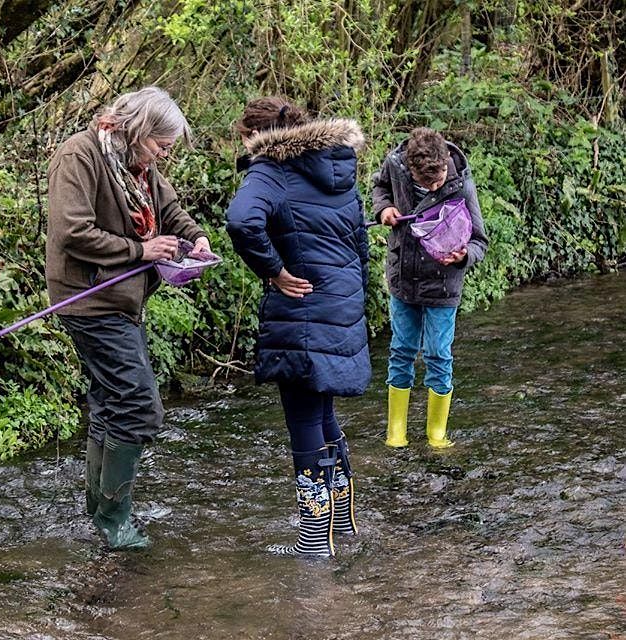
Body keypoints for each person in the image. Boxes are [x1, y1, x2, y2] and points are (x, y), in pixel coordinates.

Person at [46, 87, 211, 550]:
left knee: (111, 401)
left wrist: (195, 238)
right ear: (137, 130)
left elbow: (170, 210)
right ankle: (114, 522)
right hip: (87, 299)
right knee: (139, 406)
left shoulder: (139, 165)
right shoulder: (79, 156)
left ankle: (99, 511)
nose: (164, 154)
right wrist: (141, 250)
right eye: (161, 144)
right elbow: (72, 231)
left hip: (123, 300)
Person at [225, 97, 371, 557]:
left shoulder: (270, 170)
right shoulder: (335, 165)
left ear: (256, 135)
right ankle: (342, 524)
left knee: (304, 421)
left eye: (243, 138)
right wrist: (351, 297)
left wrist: (273, 271)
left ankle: (313, 543)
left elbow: (241, 221)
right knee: (323, 414)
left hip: (302, 308)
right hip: (342, 305)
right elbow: (360, 241)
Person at [371, 127, 488, 449]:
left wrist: (464, 256)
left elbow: (480, 241)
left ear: (446, 162)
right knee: (401, 351)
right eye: (427, 183)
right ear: (411, 169)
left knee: (438, 354)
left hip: (443, 285)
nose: (435, 187)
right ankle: (396, 431)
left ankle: (437, 433)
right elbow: (380, 187)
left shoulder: (461, 182)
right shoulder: (395, 166)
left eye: (439, 181)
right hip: (403, 278)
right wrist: (384, 209)